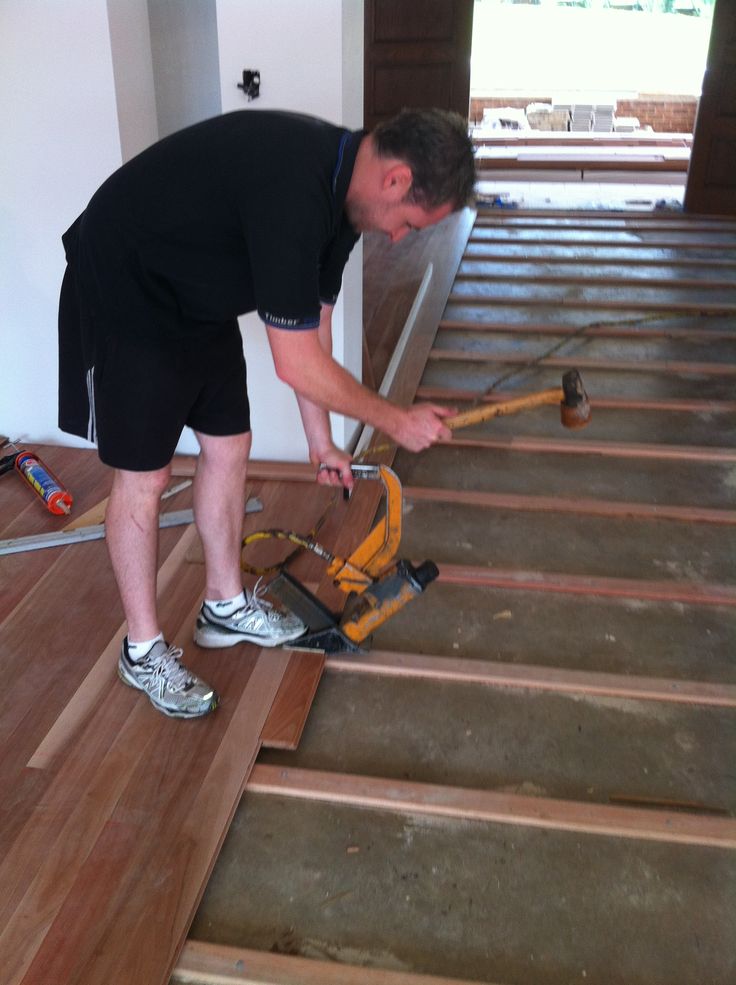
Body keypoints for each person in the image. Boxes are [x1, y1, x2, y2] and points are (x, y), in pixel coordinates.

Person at [58, 107, 476, 719]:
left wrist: (322, 441)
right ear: (395, 180)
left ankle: (223, 607)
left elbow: (316, 322)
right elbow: (296, 363)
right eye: (411, 222)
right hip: (128, 290)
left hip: (195, 297)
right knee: (146, 476)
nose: (399, 237)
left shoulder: (344, 196)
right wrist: (394, 419)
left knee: (229, 444)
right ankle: (141, 649)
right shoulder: (293, 188)